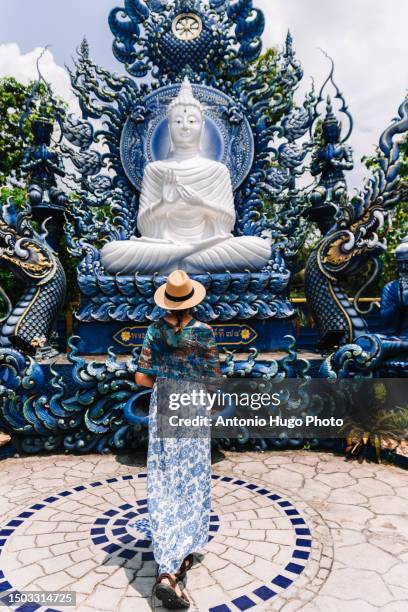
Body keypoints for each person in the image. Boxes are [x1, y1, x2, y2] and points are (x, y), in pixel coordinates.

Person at [135, 269, 221, 609]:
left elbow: (142, 378)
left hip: (165, 402)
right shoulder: (205, 332)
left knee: (166, 479)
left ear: (168, 300)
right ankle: (170, 569)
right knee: (193, 478)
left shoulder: (155, 330)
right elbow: (214, 380)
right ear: (192, 299)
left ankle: (171, 560)